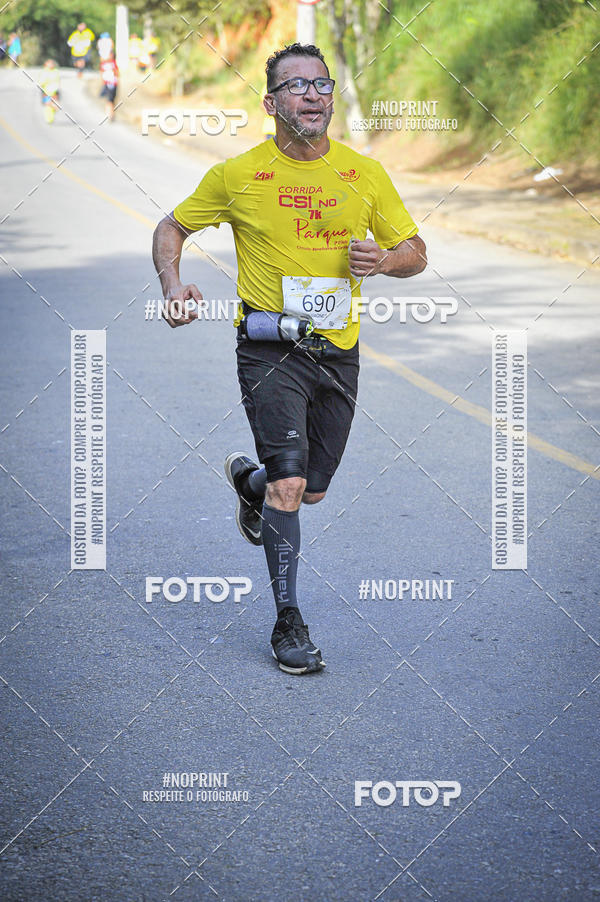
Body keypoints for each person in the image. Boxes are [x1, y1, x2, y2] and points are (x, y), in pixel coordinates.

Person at [152, 43, 426, 675]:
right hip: (269, 347)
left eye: (322, 84)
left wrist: (383, 261)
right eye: (296, 85)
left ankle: (250, 485)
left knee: (313, 491)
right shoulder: (239, 174)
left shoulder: (364, 174)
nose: (312, 94)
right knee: (291, 485)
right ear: (270, 102)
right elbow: (172, 227)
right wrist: (172, 285)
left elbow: (415, 250)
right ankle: (288, 622)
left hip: (339, 349)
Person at [39, 59, 60, 124]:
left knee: (55, 106)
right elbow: (41, 81)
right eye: (49, 63)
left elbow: (58, 80)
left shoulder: (56, 71)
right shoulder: (44, 72)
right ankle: (49, 119)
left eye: (52, 63)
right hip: (46, 92)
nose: (51, 65)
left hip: (55, 91)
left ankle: (51, 117)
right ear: (46, 65)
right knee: (48, 105)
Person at [99, 53, 119, 121]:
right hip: (107, 83)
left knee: (112, 100)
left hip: (113, 83)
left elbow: (117, 73)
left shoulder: (113, 63)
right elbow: (101, 73)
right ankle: (110, 114)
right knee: (109, 100)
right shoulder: (104, 64)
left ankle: (111, 114)